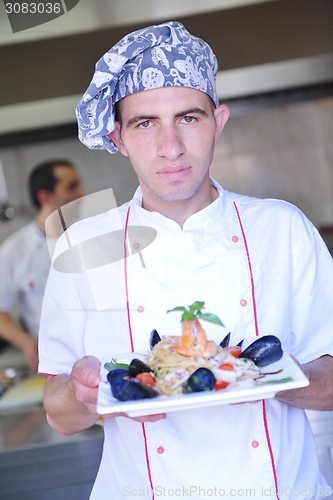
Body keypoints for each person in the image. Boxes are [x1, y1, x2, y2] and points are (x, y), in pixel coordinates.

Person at [38, 22, 333, 500]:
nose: (170, 147)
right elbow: (58, 412)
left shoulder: (281, 228)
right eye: (145, 123)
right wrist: (83, 392)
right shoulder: (88, 243)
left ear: (218, 122)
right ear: (118, 137)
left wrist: (263, 376)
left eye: (189, 119)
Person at [0, 160, 83, 371]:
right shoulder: (15, 250)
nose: (81, 194)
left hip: (99, 349)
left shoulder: (86, 236)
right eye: (71, 187)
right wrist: (27, 344)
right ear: (45, 197)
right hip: (54, 361)